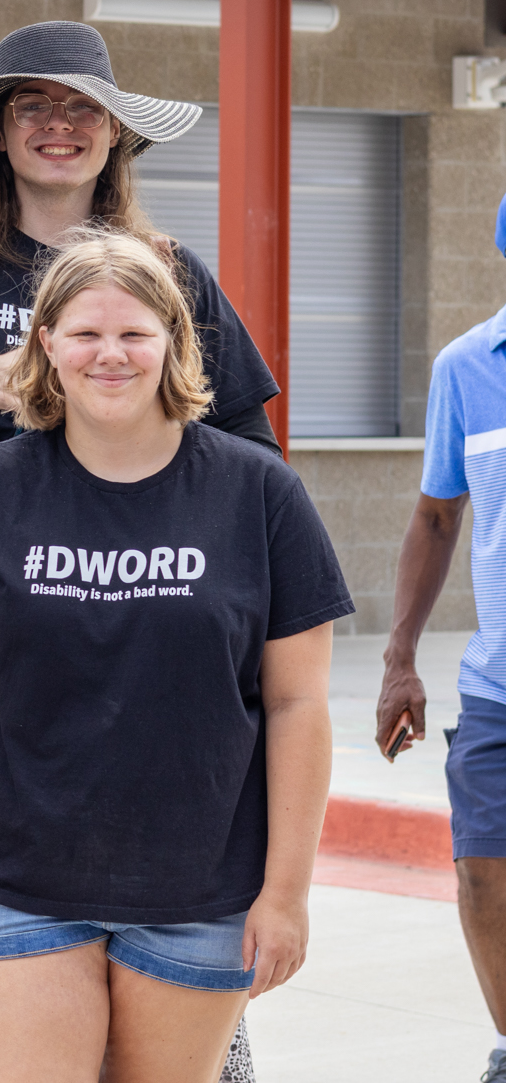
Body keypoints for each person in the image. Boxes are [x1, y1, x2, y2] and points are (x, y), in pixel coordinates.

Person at [0, 232, 349, 1083]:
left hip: (202, 889)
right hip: (23, 883)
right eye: (85, 333)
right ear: (47, 343)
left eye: (134, 333)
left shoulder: (260, 492)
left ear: (174, 340)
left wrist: (287, 892)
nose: (109, 354)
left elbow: (298, 704)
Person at [0, 20, 280, 500]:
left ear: (114, 130)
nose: (59, 124)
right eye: (31, 106)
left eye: (85, 107)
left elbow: (257, 458)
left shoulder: (169, 273)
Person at [376, 192, 506, 1083]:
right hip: (498, 687)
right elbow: (435, 515)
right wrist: (399, 661)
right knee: (482, 873)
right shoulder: (467, 367)